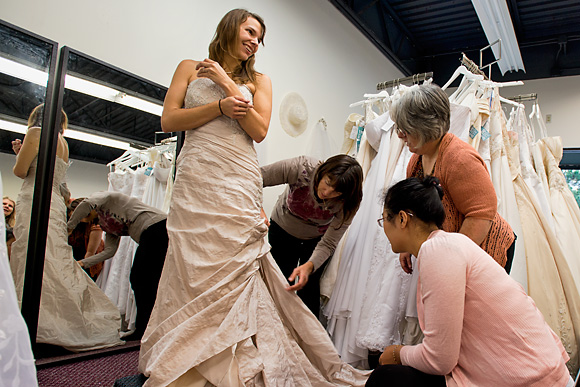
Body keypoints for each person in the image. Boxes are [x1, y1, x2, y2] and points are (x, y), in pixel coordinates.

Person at [139, 9, 369, 386]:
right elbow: (168, 122)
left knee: (235, 266)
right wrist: (216, 106)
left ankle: (234, 353)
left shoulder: (260, 80)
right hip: (197, 175)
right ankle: (183, 352)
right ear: (230, 27)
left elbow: (259, 130)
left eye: (259, 37)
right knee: (187, 262)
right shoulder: (188, 68)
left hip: (237, 177)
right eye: (249, 31)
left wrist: (228, 84)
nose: (254, 41)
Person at [366, 176, 573, 387]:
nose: (384, 229)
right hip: (542, 370)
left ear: (402, 219)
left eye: (384, 220)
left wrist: (398, 353)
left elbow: (439, 360)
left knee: (385, 378)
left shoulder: (437, 251)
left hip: (531, 378)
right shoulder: (452, 243)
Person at [10, 104, 122, 351]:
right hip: (54, 203)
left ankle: (34, 319)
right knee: (53, 257)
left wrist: (19, 153)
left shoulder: (36, 132)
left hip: (34, 198)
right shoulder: (62, 142)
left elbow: (20, 171)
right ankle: (53, 318)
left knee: (33, 256)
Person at [390, 83, 516, 274]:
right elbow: (415, 208)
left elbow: (481, 214)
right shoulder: (417, 159)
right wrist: (408, 245)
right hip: (452, 249)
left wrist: (451, 259)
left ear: (425, 127)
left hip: (484, 248)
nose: (400, 135)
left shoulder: (460, 159)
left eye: (406, 129)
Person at [261, 154, 363, 316]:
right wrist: (258, 209)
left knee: (309, 290)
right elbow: (256, 178)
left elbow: (329, 243)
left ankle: (302, 336)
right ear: (323, 172)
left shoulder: (349, 202)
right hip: (283, 230)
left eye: (336, 191)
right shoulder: (302, 168)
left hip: (316, 240)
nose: (327, 192)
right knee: (278, 283)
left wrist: (310, 266)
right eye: (328, 183)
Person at [67, 191, 168, 340]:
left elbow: (87, 204)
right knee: (145, 282)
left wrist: (69, 227)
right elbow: (109, 251)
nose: (82, 218)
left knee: (140, 279)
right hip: (151, 234)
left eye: (78, 214)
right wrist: (83, 263)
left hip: (156, 227)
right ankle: (147, 328)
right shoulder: (105, 224)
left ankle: (145, 329)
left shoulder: (108, 198)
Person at [67, 198, 106, 280]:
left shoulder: (95, 225)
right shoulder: (69, 221)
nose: (74, 218)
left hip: (85, 261)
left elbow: (90, 253)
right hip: (71, 256)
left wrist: (76, 270)